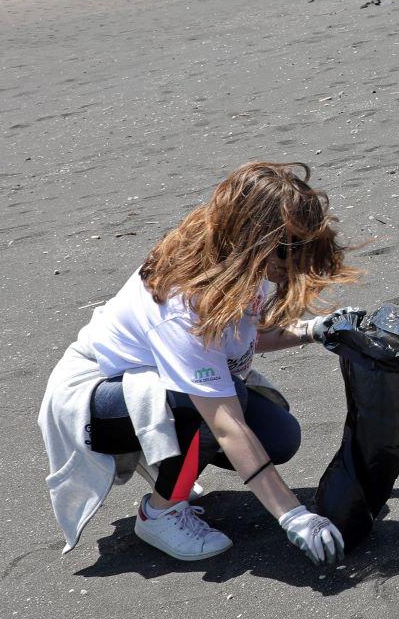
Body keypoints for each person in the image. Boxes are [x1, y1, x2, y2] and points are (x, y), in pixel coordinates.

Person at [38, 162, 362, 563]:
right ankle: (160, 513)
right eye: (287, 249)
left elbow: (240, 340)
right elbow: (225, 422)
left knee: (279, 437)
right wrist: (293, 515)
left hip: (154, 384)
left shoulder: (242, 263)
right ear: (253, 237)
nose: (293, 263)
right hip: (95, 396)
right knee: (210, 406)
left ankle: (170, 463)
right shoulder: (183, 301)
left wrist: (316, 330)